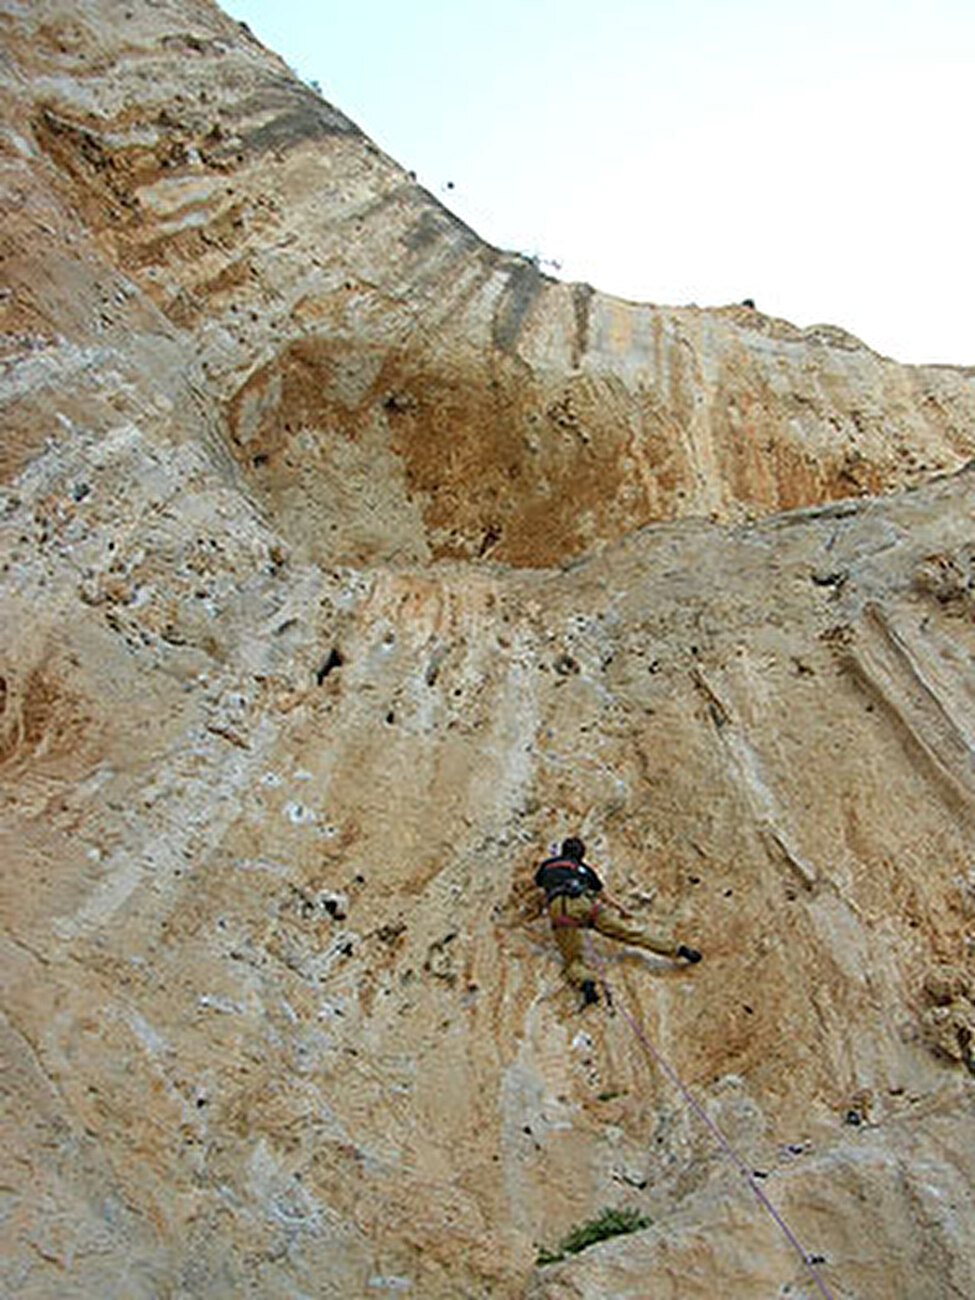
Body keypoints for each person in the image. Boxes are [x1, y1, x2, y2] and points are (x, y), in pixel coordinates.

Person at [535, 837, 702, 1007]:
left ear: (563, 851)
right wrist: (621, 910)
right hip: (588, 905)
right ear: (581, 855)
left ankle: (586, 983)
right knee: (630, 934)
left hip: (563, 908)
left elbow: (539, 885)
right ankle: (678, 949)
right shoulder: (585, 869)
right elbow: (603, 895)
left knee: (572, 960)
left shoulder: (548, 865)